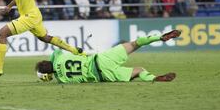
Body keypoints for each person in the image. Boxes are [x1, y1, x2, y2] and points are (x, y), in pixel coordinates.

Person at [35, 30, 181, 83]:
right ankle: (159, 37)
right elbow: (57, 49)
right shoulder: (58, 56)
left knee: (139, 70)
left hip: (104, 75)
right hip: (102, 59)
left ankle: (154, 78)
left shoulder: (62, 80)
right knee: (135, 43)